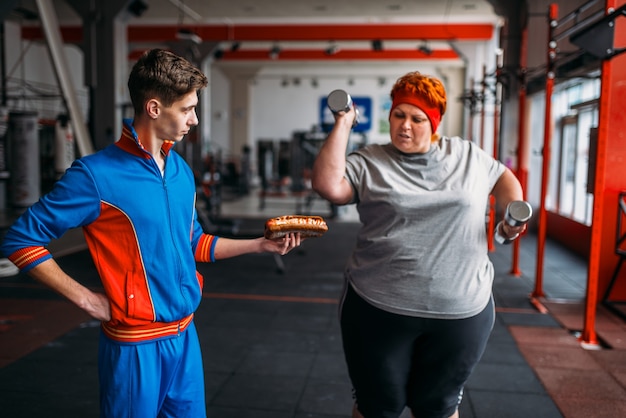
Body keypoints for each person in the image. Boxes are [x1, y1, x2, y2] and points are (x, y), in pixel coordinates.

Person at [0, 48, 301, 418]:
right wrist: (86, 300)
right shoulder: (95, 175)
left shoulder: (180, 171)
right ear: (155, 108)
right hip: (134, 346)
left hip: (185, 337)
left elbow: (194, 244)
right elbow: (21, 239)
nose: (194, 119)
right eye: (187, 109)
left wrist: (260, 245)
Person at [311, 71, 526, 418]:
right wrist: (344, 122)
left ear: (434, 121)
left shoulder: (468, 156)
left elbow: (505, 179)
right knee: (376, 408)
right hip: (379, 308)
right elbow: (327, 185)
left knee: (438, 408)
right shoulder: (370, 161)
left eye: (417, 118)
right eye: (398, 115)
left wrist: (511, 214)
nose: (405, 126)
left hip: (461, 311)